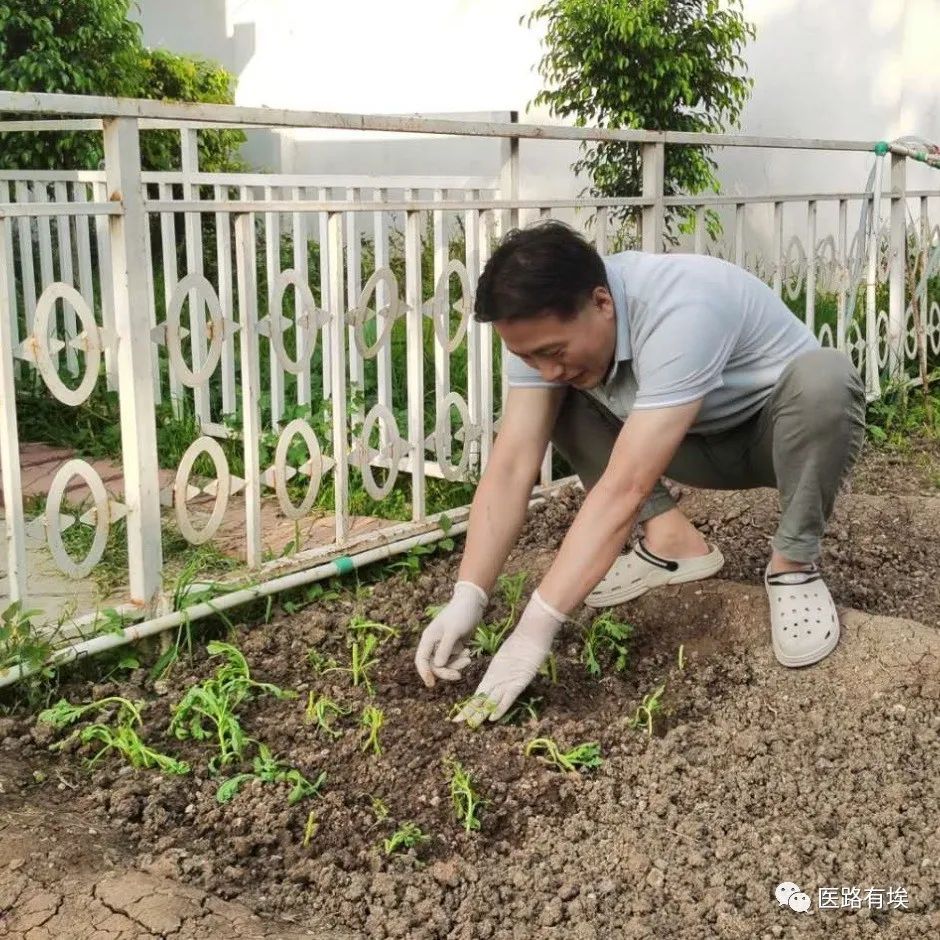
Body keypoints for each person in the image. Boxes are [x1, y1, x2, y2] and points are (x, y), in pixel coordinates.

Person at [414, 220, 866, 728]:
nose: (543, 367)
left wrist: (534, 630)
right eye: (525, 356)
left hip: (772, 439)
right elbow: (514, 461)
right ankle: (671, 542)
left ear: (602, 302)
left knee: (826, 379)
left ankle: (793, 565)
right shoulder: (542, 336)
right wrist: (468, 595)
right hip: (678, 439)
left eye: (553, 351)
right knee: (550, 401)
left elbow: (624, 486)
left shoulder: (681, 306)